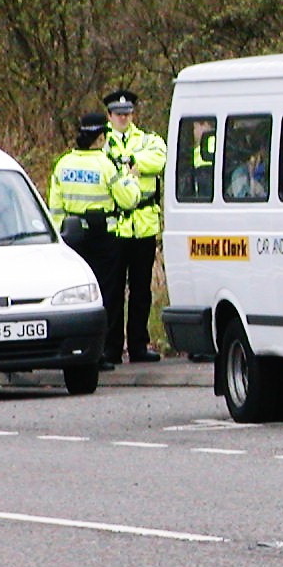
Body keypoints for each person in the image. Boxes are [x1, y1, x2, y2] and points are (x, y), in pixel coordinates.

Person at [49, 112, 140, 371]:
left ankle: (76, 349)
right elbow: (128, 200)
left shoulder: (63, 164)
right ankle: (103, 352)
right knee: (106, 296)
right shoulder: (106, 165)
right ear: (100, 137)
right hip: (104, 239)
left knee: (76, 297)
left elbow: (55, 207)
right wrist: (131, 178)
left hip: (72, 239)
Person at [102, 89, 168, 364]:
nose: (123, 118)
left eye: (127, 113)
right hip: (115, 227)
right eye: (118, 114)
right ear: (109, 116)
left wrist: (130, 162)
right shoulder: (101, 142)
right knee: (113, 290)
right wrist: (133, 166)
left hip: (143, 225)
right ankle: (112, 347)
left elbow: (159, 159)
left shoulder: (147, 139)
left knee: (141, 289)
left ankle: (139, 345)